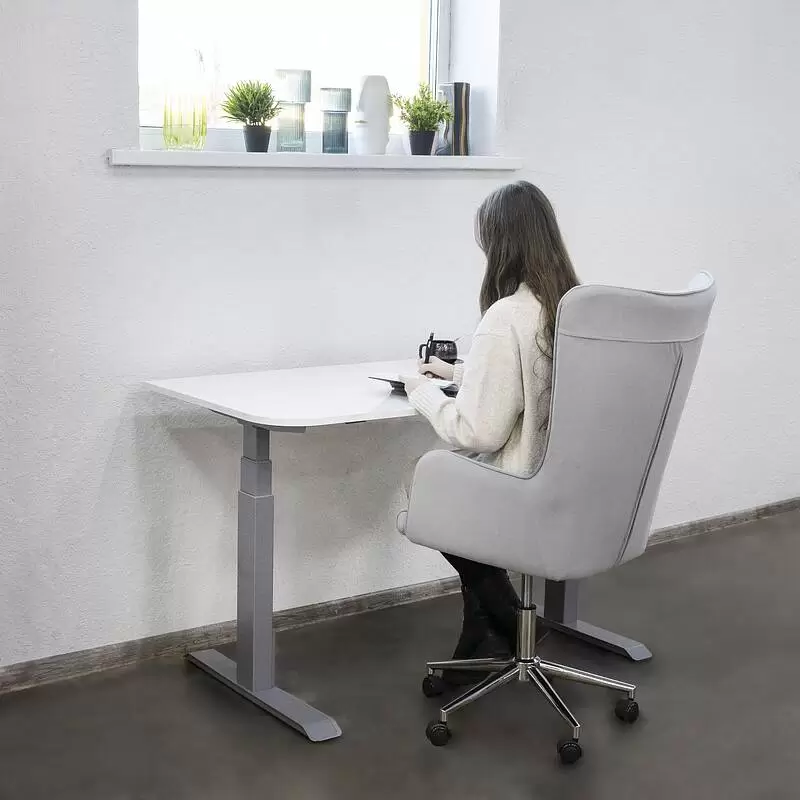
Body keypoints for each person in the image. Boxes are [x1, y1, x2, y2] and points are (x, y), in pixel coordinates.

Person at [401, 181, 580, 684]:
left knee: (425, 482)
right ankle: (484, 627)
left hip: (520, 492)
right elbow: (536, 384)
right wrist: (460, 374)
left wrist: (422, 391)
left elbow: (478, 432)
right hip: (570, 490)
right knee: (453, 486)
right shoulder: (570, 306)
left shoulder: (507, 316)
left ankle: (505, 618)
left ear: (501, 244)